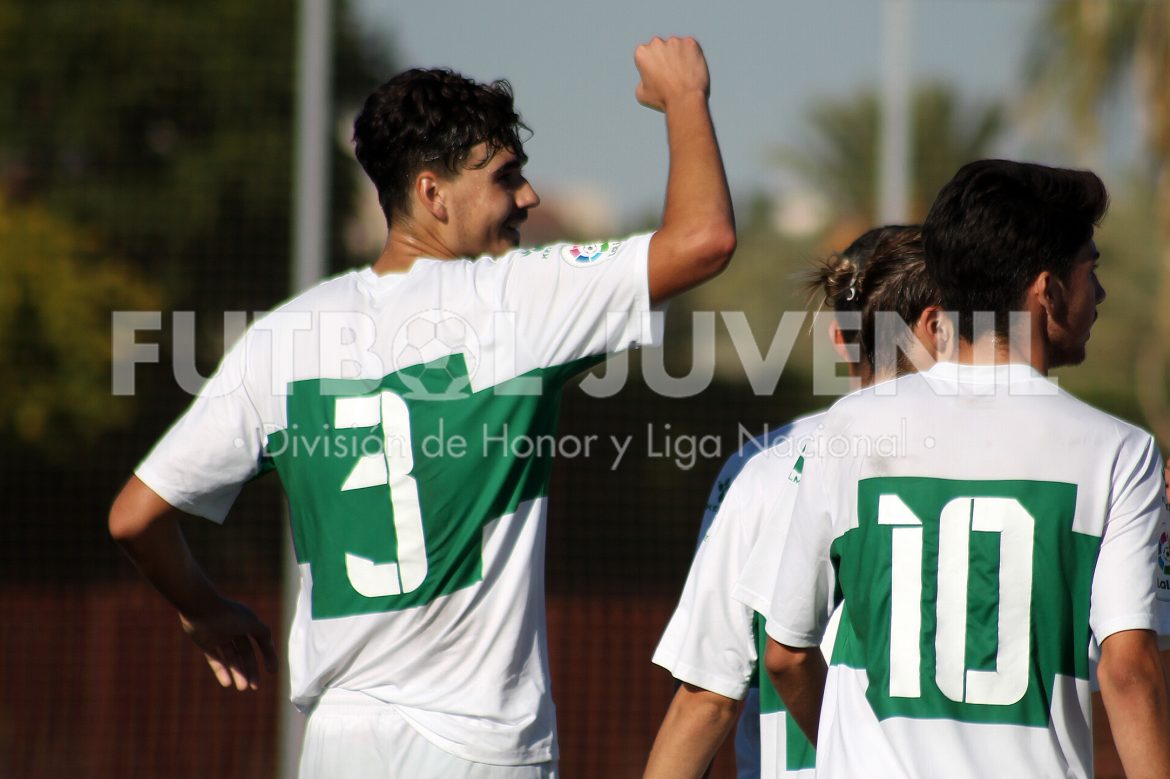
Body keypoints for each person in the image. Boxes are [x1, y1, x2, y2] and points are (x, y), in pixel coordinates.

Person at [108, 36, 735, 778]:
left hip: (338, 743)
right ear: (434, 194)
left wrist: (204, 608)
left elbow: (135, 517)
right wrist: (685, 94)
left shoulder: (280, 339)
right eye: (506, 177)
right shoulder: (513, 301)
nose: (528, 197)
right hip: (476, 745)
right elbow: (703, 240)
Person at [765, 159, 1170, 778]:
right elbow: (1129, 670)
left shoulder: (850, 426)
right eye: (1091, 269)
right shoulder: (1120, 451)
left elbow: (786, 656)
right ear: (1047, 291)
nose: (1100, 292)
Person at [644, 226, 940, 779]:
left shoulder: (761, 467)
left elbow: (707, 696)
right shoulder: (1009, 464)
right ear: (944, 328)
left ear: (838, 338)